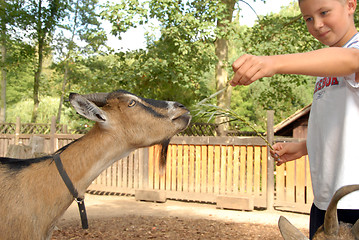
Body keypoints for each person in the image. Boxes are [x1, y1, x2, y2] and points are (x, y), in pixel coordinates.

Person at [229, 0, 359, 238]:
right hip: (325, 200)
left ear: (350, 5)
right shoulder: (324, 71)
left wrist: (274, 62)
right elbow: (343, 128)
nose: (317, 25)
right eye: (308, 18)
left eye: (324, 12)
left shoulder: (352, 53)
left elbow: (352, 60)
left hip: (354, 202)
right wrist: (302, 147)